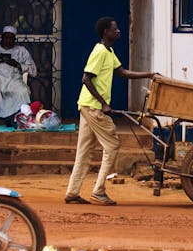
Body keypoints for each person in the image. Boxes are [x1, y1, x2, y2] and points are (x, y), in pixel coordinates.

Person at [65, 16, 155, 206]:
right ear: (106, 32)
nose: (118, 31)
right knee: (112, 145)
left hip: (87, 106)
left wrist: (149, 74)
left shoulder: (109, 51)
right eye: (115, 29)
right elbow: (86, 79)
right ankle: (98, 191)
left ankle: (72, 192)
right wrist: (103, 103)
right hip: (93, 107)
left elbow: (122, 72)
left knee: (84, 151)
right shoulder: (99, 52)